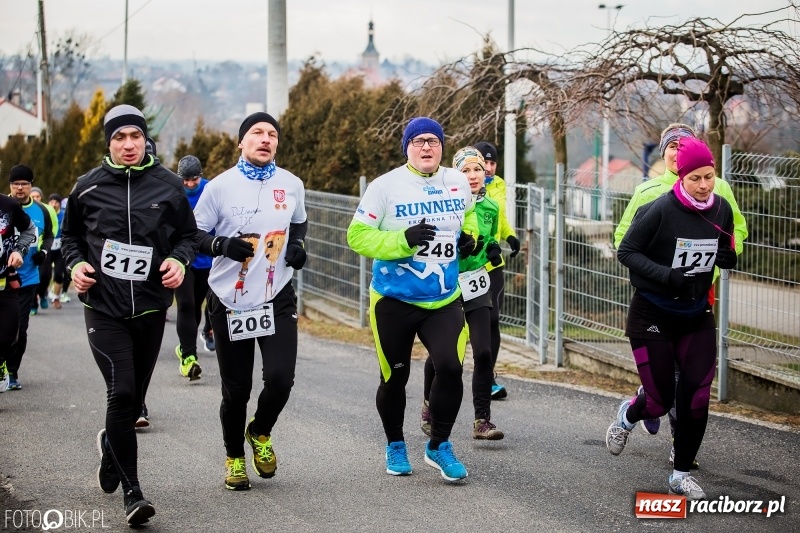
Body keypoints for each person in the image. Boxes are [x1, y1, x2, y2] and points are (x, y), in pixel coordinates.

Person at [61, 104, 198, 526]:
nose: (128, 145)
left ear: (145, 140)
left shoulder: (169, 185)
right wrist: (75, 266)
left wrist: (178, 260)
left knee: (133, 395)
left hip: (152, 308)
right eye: (119, 138)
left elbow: (188, 235)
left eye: (134, 137)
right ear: (109, 143)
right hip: (103, 307)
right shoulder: (86, 188)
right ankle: (133, 493)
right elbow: (69, 238)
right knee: (121, 396)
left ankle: (111, 446)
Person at [347, 117, 480, 482]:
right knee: (395, 377)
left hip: (443, 298)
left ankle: (438, 445)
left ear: (442, 147)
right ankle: (395, 443)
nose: (426, 147)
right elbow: (357, 237)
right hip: (394, 299)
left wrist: (468, 237)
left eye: (433, 142)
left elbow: (467, 218)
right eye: (418, 141)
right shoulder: (385, 186)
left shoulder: (455, 181)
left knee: (451, 369)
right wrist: (403, 239)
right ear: (406, 146)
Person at [606, 136, 738, 501]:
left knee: (696, 397)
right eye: (695, 178)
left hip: (696, 314)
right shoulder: (660, 209)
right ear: (681, 176)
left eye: (709, 176)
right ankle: (628, 416)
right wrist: (667, 275)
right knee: (660, 401)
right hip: (652, 314)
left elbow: (723, 247)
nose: (703, 185)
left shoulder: (722, 208)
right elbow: (627, 251)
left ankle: (680, 473)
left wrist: (728, 259)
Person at [193, 112, 308, 492]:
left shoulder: (291, 184)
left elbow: (300, 222)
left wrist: (297, 246)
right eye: (256, 133)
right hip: (230, 300)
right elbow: (192, 235)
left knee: (280, 380)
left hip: (276, 295)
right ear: (241, 142)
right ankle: (233, 457)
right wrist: (219, 245)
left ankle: (259, 431)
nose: (265, 138)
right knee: (236, 389)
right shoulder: (220, 187)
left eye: (272, 134)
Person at [421, 146, 505, 440]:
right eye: (465, 170)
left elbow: (488, 239)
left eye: (478, 169)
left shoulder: (492, 208)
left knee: (483, 351)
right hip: (448, 284)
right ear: (456, 174)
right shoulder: (444, 202)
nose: (472, 176)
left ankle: (482, 421)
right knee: (443, 354)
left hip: (478, 282)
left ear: (486, 173)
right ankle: (430, 406)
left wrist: (492, 249)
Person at [472, 141, 520, 401]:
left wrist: (510, 236)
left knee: (492, 319)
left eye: (492, 163)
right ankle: (446, 371)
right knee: (460, 324)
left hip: (492, 261)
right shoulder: (463, 183)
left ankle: (488, 377)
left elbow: (498, 218)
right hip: (468, 263)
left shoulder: (499, 185)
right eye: (484, 163)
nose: (488, 168)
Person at [7, 166, 56, 391]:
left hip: (27, 277)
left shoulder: (42, 210)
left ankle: (12, 371)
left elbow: (48, 235)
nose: (20, 188)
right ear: (10, 186)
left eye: (24, 184)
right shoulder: (3, 207)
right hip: (2, 279)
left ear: (31, 185)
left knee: (19, 329)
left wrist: (44, 252)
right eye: (16, 183)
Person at [174, 154, 214, 380]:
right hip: (182, 258)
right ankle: (189, 358)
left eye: (194, 180)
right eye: (185, 180)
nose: (190, 185)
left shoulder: (211, 190)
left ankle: (185, 344)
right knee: (186, 305)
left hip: (207, 259)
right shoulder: (173, 191)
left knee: (200, 305)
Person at [0, 193, 36, 393]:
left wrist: (18, 251)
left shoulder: (8, 205)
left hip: (4, 285)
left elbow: (30, 230)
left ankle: (1, 363)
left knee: (8, 337)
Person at [38, 193, 67, 310]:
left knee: (59, 274)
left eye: (56, 202)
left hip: (60, 250)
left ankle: (56, 298)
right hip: (47, 249)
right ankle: (43, 293)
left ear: (60, 204)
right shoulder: (45, 213)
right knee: (44, 275)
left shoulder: (64, 216)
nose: (54, 204)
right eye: (51, 202)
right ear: (48, 203)